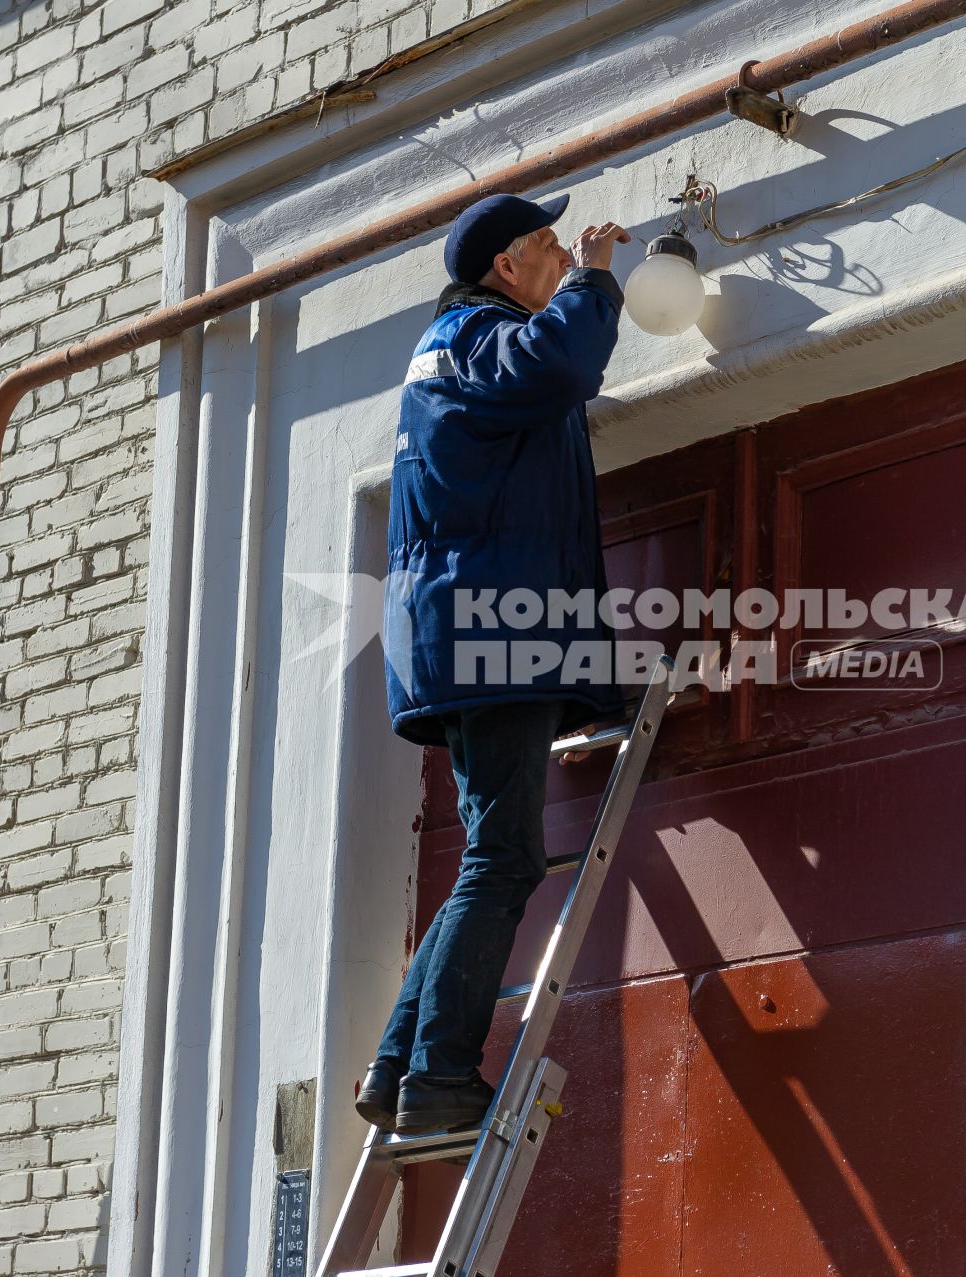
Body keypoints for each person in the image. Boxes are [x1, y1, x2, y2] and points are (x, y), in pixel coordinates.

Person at [360, 192, 633, 1136]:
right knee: (508, 854)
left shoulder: (454, 349)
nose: (562, 254)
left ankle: (400, 1063)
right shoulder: (480, 335)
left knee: (488, 852)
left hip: (471, 632)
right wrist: (599, 281)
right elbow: (559, 363)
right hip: (490, 633)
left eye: (566, 246)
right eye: (547, 246)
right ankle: (437, 1073)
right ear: (504, 268)